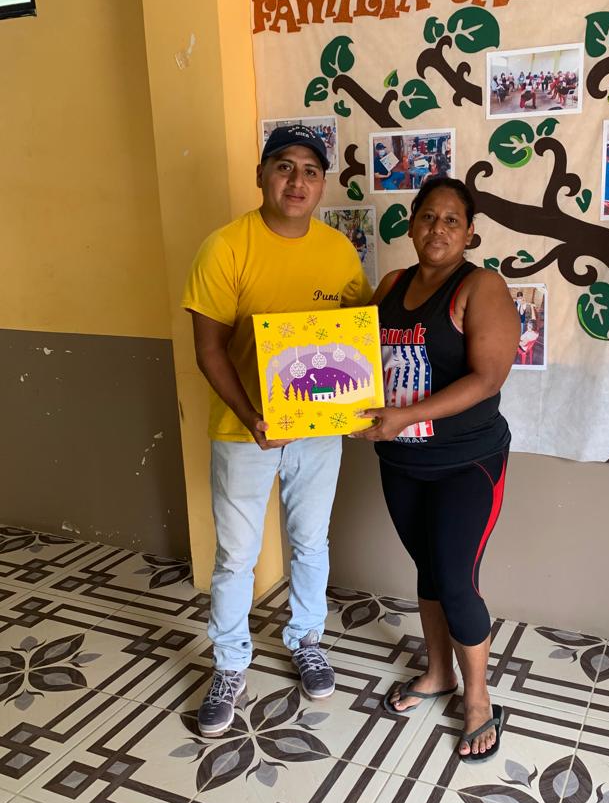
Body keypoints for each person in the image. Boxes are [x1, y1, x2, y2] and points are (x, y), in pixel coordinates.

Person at [182, 124, 372, 737]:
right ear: (262, 175)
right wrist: (252, 418)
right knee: (236, 556)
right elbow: (209, 350)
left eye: (311, 171)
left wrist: (361, 405)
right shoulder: (225, 247)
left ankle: (307, 639)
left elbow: (356, 337)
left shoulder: (338, 251)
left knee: (311, 542)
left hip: (319, 433)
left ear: (323, 184)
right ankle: (229, 663)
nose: (297, 181)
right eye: (285, 166)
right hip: (244, 433)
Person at [351, 178, 519, 762]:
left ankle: (478, 699)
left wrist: (406, 415)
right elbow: (356, 356)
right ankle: (439, 673)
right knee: (428, 569)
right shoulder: (391, 285)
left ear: (470, 232)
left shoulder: (480, 286)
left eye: (451, 220)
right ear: (411, 223)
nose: (438, 228)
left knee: (455, 578)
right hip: (400, 460)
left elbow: (488, 378)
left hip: (466, 462)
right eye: (427, 216)